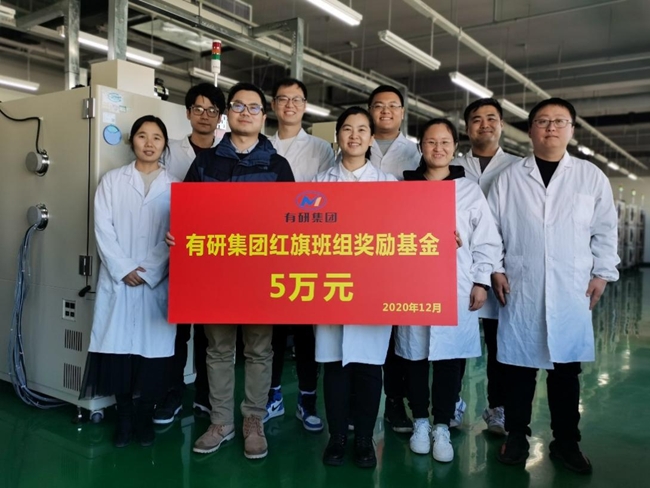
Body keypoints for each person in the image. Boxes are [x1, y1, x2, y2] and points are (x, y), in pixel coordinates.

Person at [489, 98, 619, 474]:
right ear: (530, 130)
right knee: (519, 369)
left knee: (566, 370)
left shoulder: (590, 177)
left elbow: (605, 229)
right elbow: (491, 229)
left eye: (560, 121)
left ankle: (566, 442)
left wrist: (602, 273)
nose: (551, 127)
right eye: (543, 121)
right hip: (522, 286)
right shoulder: (510, 178)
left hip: (570, 288)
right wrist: (495, 269)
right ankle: (517, 436)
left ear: (572, 130)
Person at [167, 82, 294, 460]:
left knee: (259, 350)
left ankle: (254, 419)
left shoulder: (277, 166)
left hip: (260, 277)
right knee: (219, 349)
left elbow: (291, 223)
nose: (245, 113)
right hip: (215, 276)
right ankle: (221, 421)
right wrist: (177, 233)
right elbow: (186, 212)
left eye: (253, 107)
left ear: (263, 116)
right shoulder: (206, 163)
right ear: (229, 114)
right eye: (238, 106)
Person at [395, 118, 501, 463]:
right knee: (414, 357)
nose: (437, 148)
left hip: (455, 284)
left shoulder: (468, 190)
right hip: (412, 285)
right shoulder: (404, 188)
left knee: (448, 359)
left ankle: (442, 425)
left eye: (444, 142)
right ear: (420, 146)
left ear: (454, 147)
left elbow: (486, 241)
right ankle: (420, 421)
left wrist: (481, 281)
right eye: (430, 142)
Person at [80, 115, 178, 448]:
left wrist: (148, 270)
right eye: (142, 136)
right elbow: (102, 228)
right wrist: (123, 268)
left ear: (165, 145)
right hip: (118, 281)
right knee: (117, 355)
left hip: (156, 283)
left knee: (153, 358)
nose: (149, 143)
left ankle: (144, 417)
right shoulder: (111, 181)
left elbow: (176, 236)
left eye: (157, 137)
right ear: (131, 140)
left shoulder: (176, 186)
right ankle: (123, 418)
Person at [314, 106, 396, 469]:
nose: (354, 136)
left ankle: (364, 438)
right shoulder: (318, 183)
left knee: (368, 369)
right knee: (334, 368)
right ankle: (337, 437)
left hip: (374, 290)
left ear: (372, 138)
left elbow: (406, 234)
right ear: (337, 136)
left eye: (362, 129)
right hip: (330, 288)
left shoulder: (389, 185)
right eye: (347, 129)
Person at [264, 77, 335, 431]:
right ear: (273, 105)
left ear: (305, 106)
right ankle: (273, 395)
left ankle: (307, 398)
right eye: (283, 98)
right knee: (272, 330)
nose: (289, 105)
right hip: (270, 250)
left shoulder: (321, 149)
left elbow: (329, 198)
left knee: (307, 331)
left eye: (296, 99)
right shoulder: (262, 146)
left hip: (309, 250)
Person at [154, 82, 226, 424]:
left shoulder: (228, 153)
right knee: (179, 331)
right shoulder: (170, 151)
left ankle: (205, 395)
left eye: (212, 110)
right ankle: (172, 395)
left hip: (216, 255)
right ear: (187, 113)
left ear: (220, 116)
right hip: (179, 250)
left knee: (211, 334)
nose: (204, 116)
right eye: (198, 109)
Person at [451, 98, 521, 435]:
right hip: (457, 267)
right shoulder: (452, 165)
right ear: (467, 128)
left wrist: (496, 266)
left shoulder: (518, 168)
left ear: (502, 124)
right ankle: (452, 402)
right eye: (476, 119)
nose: (484, 124)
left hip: (503, 270)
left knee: (498, 342)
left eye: (491, 118)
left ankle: (498, 407)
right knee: (455, 340)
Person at [366, 84, 421, 433]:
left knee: (399, 335)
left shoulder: (416, 154)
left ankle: (396, 403)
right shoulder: (355, 143)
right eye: (378, 105)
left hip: (401, 254)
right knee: (366, 331)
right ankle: (362, 405)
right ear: (370, 110)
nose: (385, 111)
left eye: (392, 105)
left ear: (402, 112)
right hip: (359, 255)